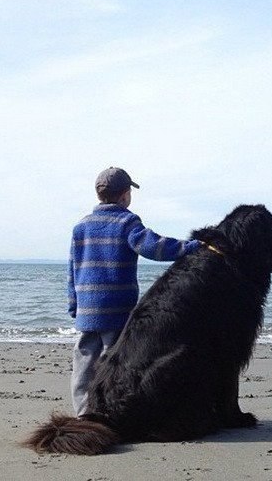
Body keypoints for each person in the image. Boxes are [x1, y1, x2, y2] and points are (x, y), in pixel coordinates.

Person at [67, 166, 200, 416]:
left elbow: (73, 269)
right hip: (117, 310)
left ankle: (84, 412)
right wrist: (192, 247)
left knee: (84, 361)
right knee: (114, 362)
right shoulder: (127, 222)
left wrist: (74, 304)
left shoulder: (81, 226)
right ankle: (106, 411)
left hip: (87, 309)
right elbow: (155, 247)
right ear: (125, 195)